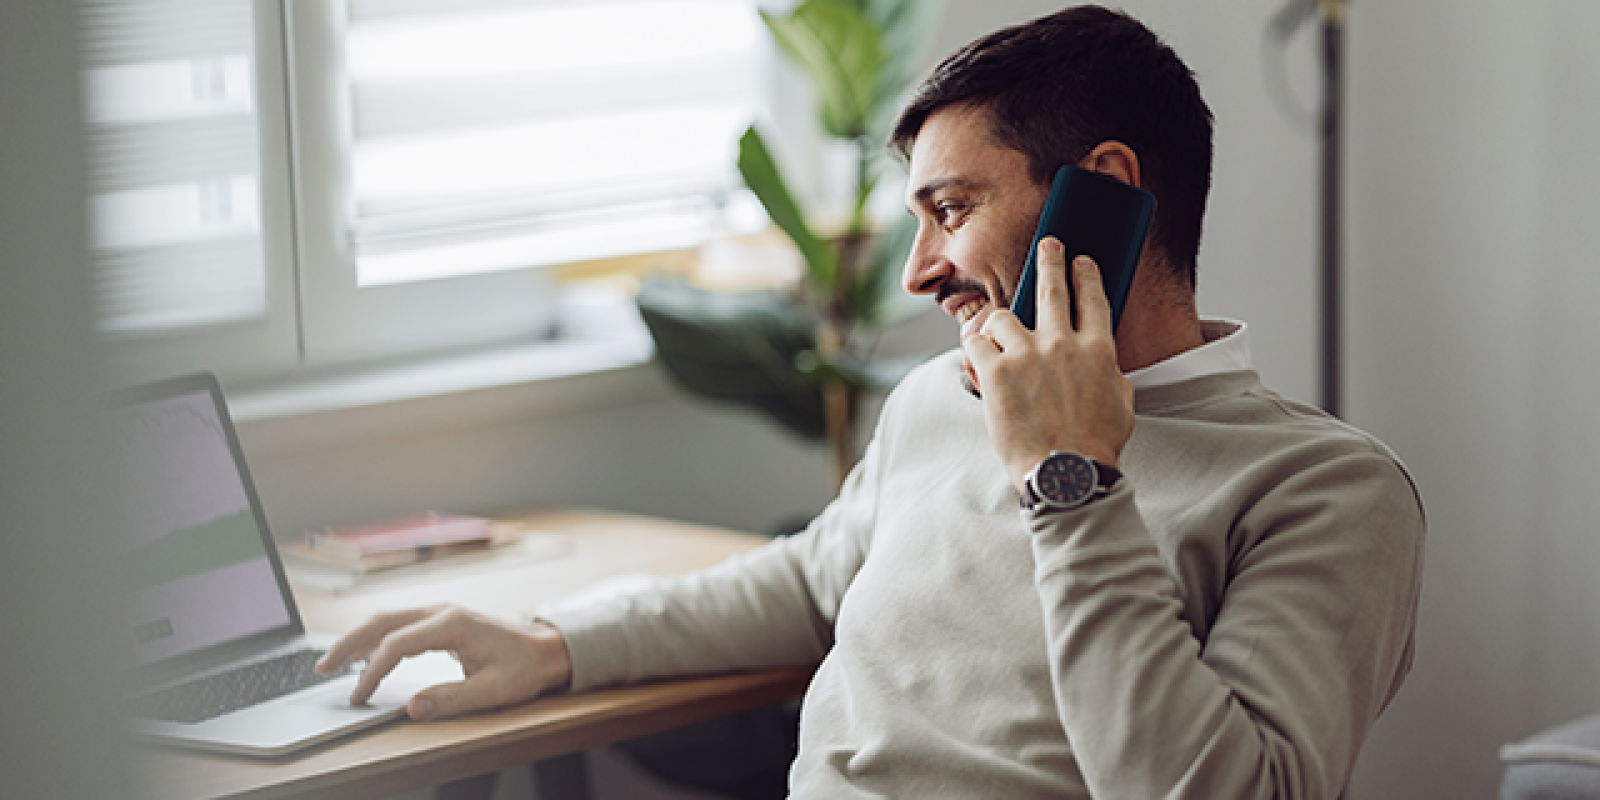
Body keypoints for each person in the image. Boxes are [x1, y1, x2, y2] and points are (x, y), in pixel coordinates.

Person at [318, 6, 1425, 798]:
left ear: (1108, 192)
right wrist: (553, 639)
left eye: (950, 209)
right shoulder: (942, 400)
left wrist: (1069, 477)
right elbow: (808, 578)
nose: (917, 271)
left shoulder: (1325, 489)